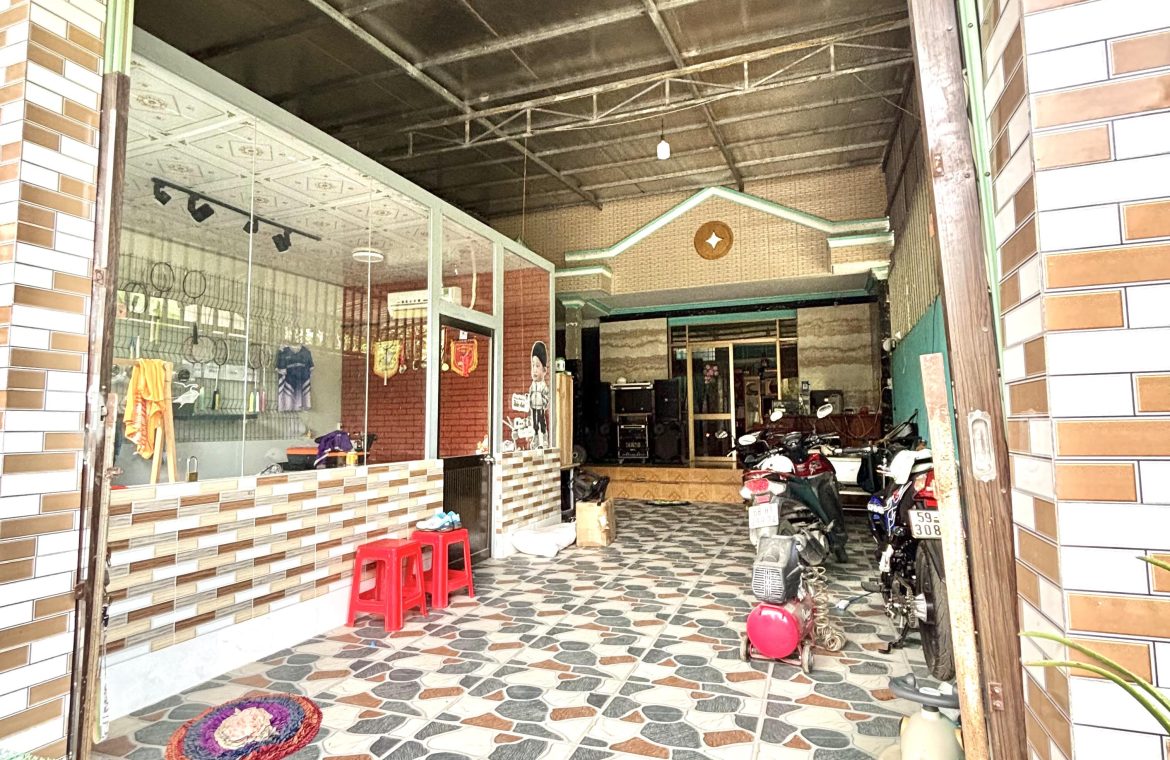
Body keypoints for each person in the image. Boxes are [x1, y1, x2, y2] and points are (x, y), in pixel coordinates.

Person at [529, 342, 550, 448]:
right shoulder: (532, 386)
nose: (534, 369)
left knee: (542, 422)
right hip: (534, 407)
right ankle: (536, 437)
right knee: (534, 422)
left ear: (544, 370)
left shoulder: (543, 386)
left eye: (537, 366)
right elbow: (530, 396)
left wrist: (543, 403)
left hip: (541, 408)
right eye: (533, 365)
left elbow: (546, 396)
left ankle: (544, 437)